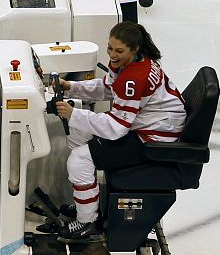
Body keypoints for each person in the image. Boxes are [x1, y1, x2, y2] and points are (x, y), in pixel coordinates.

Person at [53, 21, 186, 242]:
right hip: (151, 123)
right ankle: (86, 202)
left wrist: (73, 114)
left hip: (155, 136)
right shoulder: (132, 61)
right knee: (79, 135)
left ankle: (88, 224)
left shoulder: (134, 77)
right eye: (110, 48)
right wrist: (71, 87)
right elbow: (108, 88)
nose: (112, 55)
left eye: (118, 50)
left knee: (79, 160)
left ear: (134, 49)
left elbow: (116, 128)